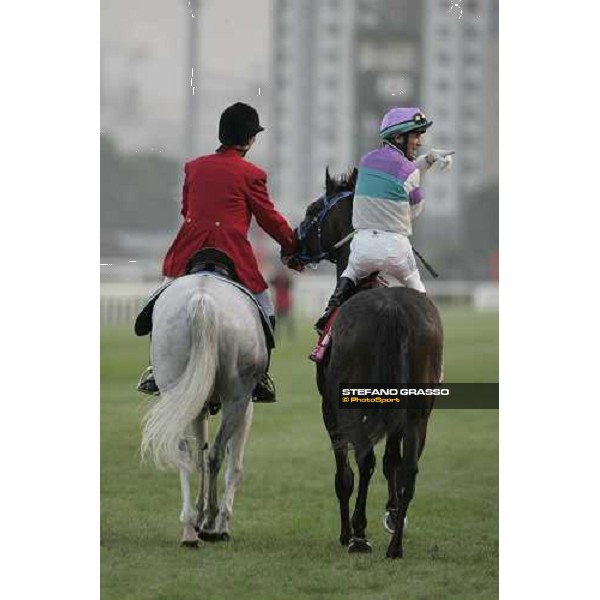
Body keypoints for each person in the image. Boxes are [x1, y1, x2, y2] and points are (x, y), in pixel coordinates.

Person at [138, 102, 301, 402]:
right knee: (265, 308)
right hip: (231, 251)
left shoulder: (194, 167)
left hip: (189, 249)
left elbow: (187, 208)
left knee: (163, 302)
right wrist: (293, 247)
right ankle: (261, 377)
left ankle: (155, 369)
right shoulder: (252, 174)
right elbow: (269, 218)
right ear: (250, 139)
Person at [314, 107, 454, 333]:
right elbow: (415, 209)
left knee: (349, 273)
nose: (419, 141)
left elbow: (396, 171)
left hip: (363, 248)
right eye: (416, 135)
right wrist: (425, 167)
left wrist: (427, 160)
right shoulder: (410, 171)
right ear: (398, 137)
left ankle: (328, 317)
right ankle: (434, 351)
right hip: (396, 251)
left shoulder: (367, 160)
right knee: (422, 302)